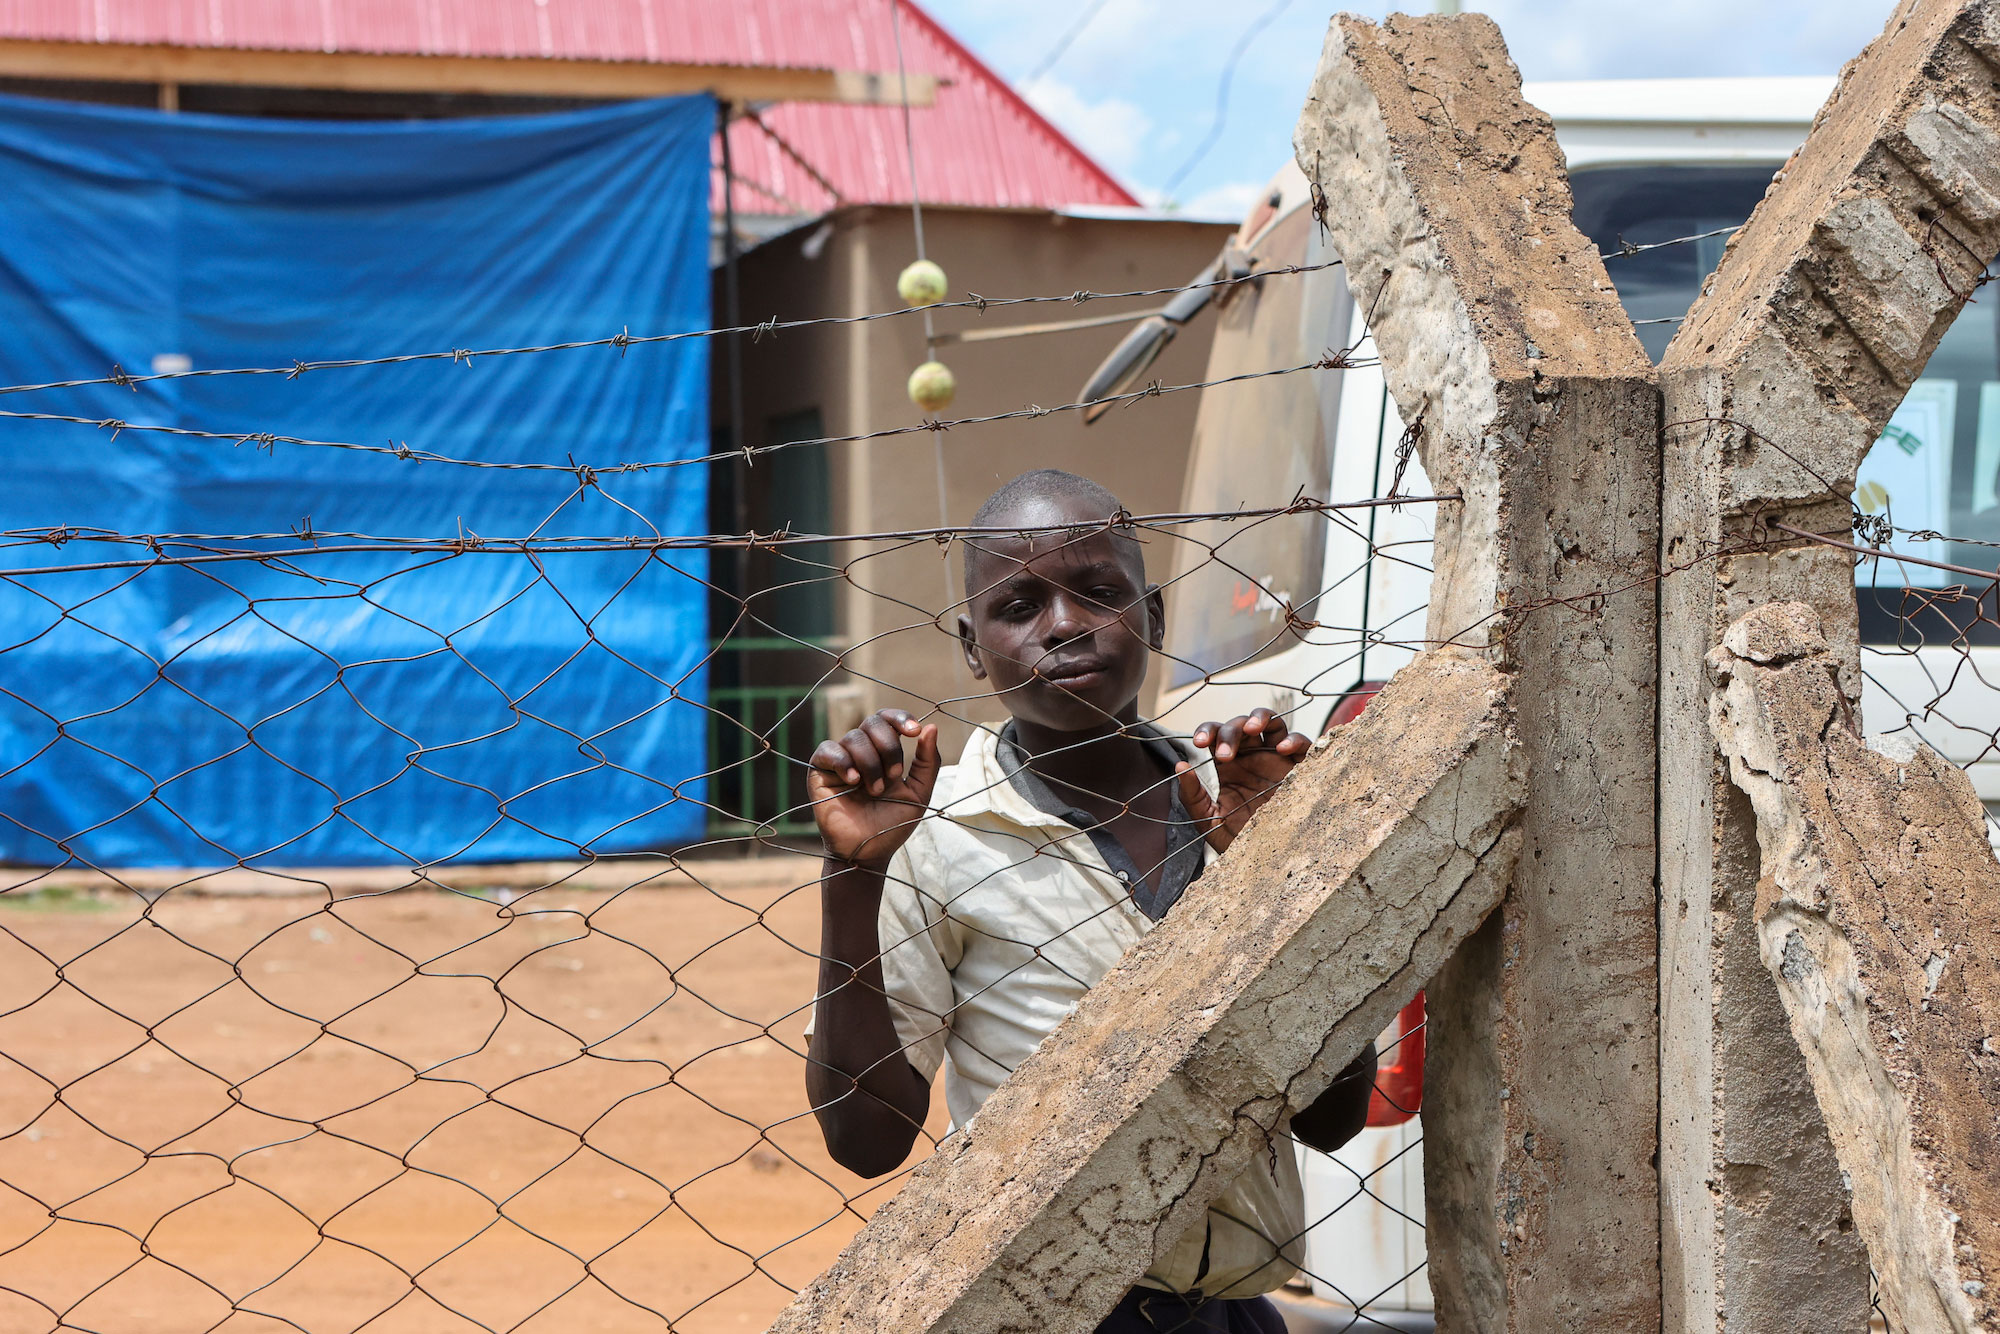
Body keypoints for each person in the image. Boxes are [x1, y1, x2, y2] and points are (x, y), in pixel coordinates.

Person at [804, 469, 1375, 1333]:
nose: (1064, 626)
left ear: (1152, 615)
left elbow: (1333, 1119)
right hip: (1039, 1305)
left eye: (1099, 593)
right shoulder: (943, 834)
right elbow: (865, 1142)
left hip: (1233, 1309)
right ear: (971, 644)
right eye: (1019, 606)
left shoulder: (1246, 794)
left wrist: (1288, 874)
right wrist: (853, 878)